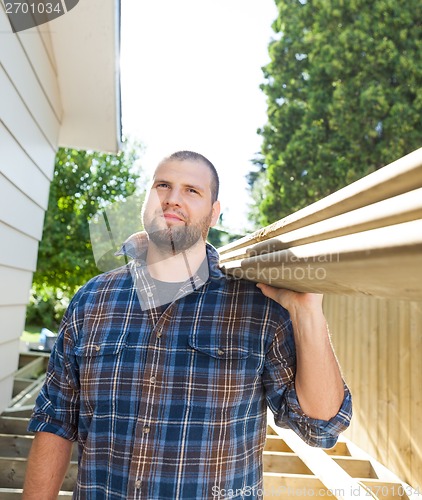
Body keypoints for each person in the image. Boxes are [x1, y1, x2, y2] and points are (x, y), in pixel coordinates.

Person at [23, 151, 352, 500]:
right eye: (162, 185)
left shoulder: (257, 306)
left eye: (191, 191)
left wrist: (308, 312)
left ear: (214, 212)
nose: (173, 198)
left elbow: (321, 427)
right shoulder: (93, 300)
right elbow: (55, 421)